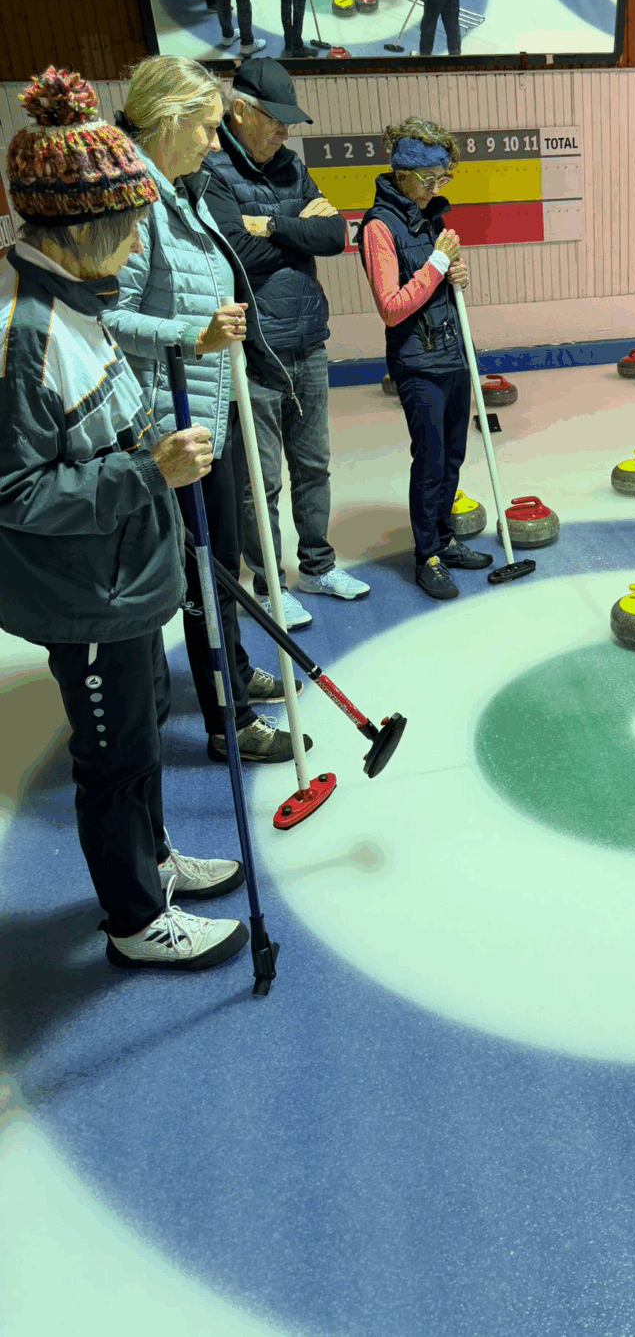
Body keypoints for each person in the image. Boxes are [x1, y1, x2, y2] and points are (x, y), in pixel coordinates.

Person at [0, 65, 251, 975]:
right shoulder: (23, 332)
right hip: (88, 590)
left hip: (130, 575)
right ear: (87, 226)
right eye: (132, 222)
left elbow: (102, 420)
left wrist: (148, 450)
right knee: (111, 759)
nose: (141, 236)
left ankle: (154, 859)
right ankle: (135, 919)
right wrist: (148, 469)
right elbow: (15, 495)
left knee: (143, 732)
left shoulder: (79, 298)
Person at [102, 55, 311, 764]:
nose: (215, 143)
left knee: (219, 563)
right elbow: (108, 317)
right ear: (168, 122)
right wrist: (195, 334)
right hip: (168, 427)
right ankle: (231, 721)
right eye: (208, 128)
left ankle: (232, 672)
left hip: (205, 411)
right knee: (202, 573)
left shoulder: (181, 191)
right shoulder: (135, 200)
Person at [204, 57, 367, 631]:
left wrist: (271, 224)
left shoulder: (291, 166)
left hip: (308, 342)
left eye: (289, 122)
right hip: (255, 352)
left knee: (314, 466)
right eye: (275, 120)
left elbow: (334, 234)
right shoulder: (212, 170)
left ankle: (318, 567)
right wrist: (299, 225)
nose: (284, 131)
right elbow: (234, 252)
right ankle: (270, 584)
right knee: (262, 482)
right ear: (239, 110)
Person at [356, 118, 490, 601]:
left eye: (443, 178)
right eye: (429, 179)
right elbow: (392, 307)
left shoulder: (428, 215)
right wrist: (436, 263)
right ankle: (426, 555)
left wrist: (455, 274)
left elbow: (433, 284)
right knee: (431, 460)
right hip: (417, 362)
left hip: (452, 353)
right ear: (402, 173)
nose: (437, 188)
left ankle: (445, 540)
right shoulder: (378, 227)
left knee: (453, 457)